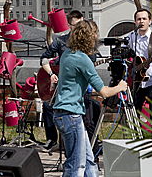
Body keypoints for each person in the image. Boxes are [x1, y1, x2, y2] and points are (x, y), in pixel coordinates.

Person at [54, 20, 127, 177]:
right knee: (76, 165)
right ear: (92, 36)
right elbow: (104, 92)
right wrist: (121, 87)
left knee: (88, 162)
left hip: (64, 113)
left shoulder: (67, 53)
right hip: (71, 115)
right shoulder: (83, 59)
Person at [39, 10, 84, 150]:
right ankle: (52, 140)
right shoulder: (61, 41)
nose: (79, 28)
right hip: (62, 85)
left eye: (81, 24)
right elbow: (44, 58)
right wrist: (51, 73)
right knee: (48, 106)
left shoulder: (87, 42)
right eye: (75, 25)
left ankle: (90, 141)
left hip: (79, 86)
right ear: (69, 25)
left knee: (90, 105)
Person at [125, 8, 152, 121]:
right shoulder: (131, 37)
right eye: (139, 19)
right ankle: (136, 136)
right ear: (135, 22)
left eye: (144, 19)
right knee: (133, 112)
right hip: (136, 81)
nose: (141, 21)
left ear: (150, 21)